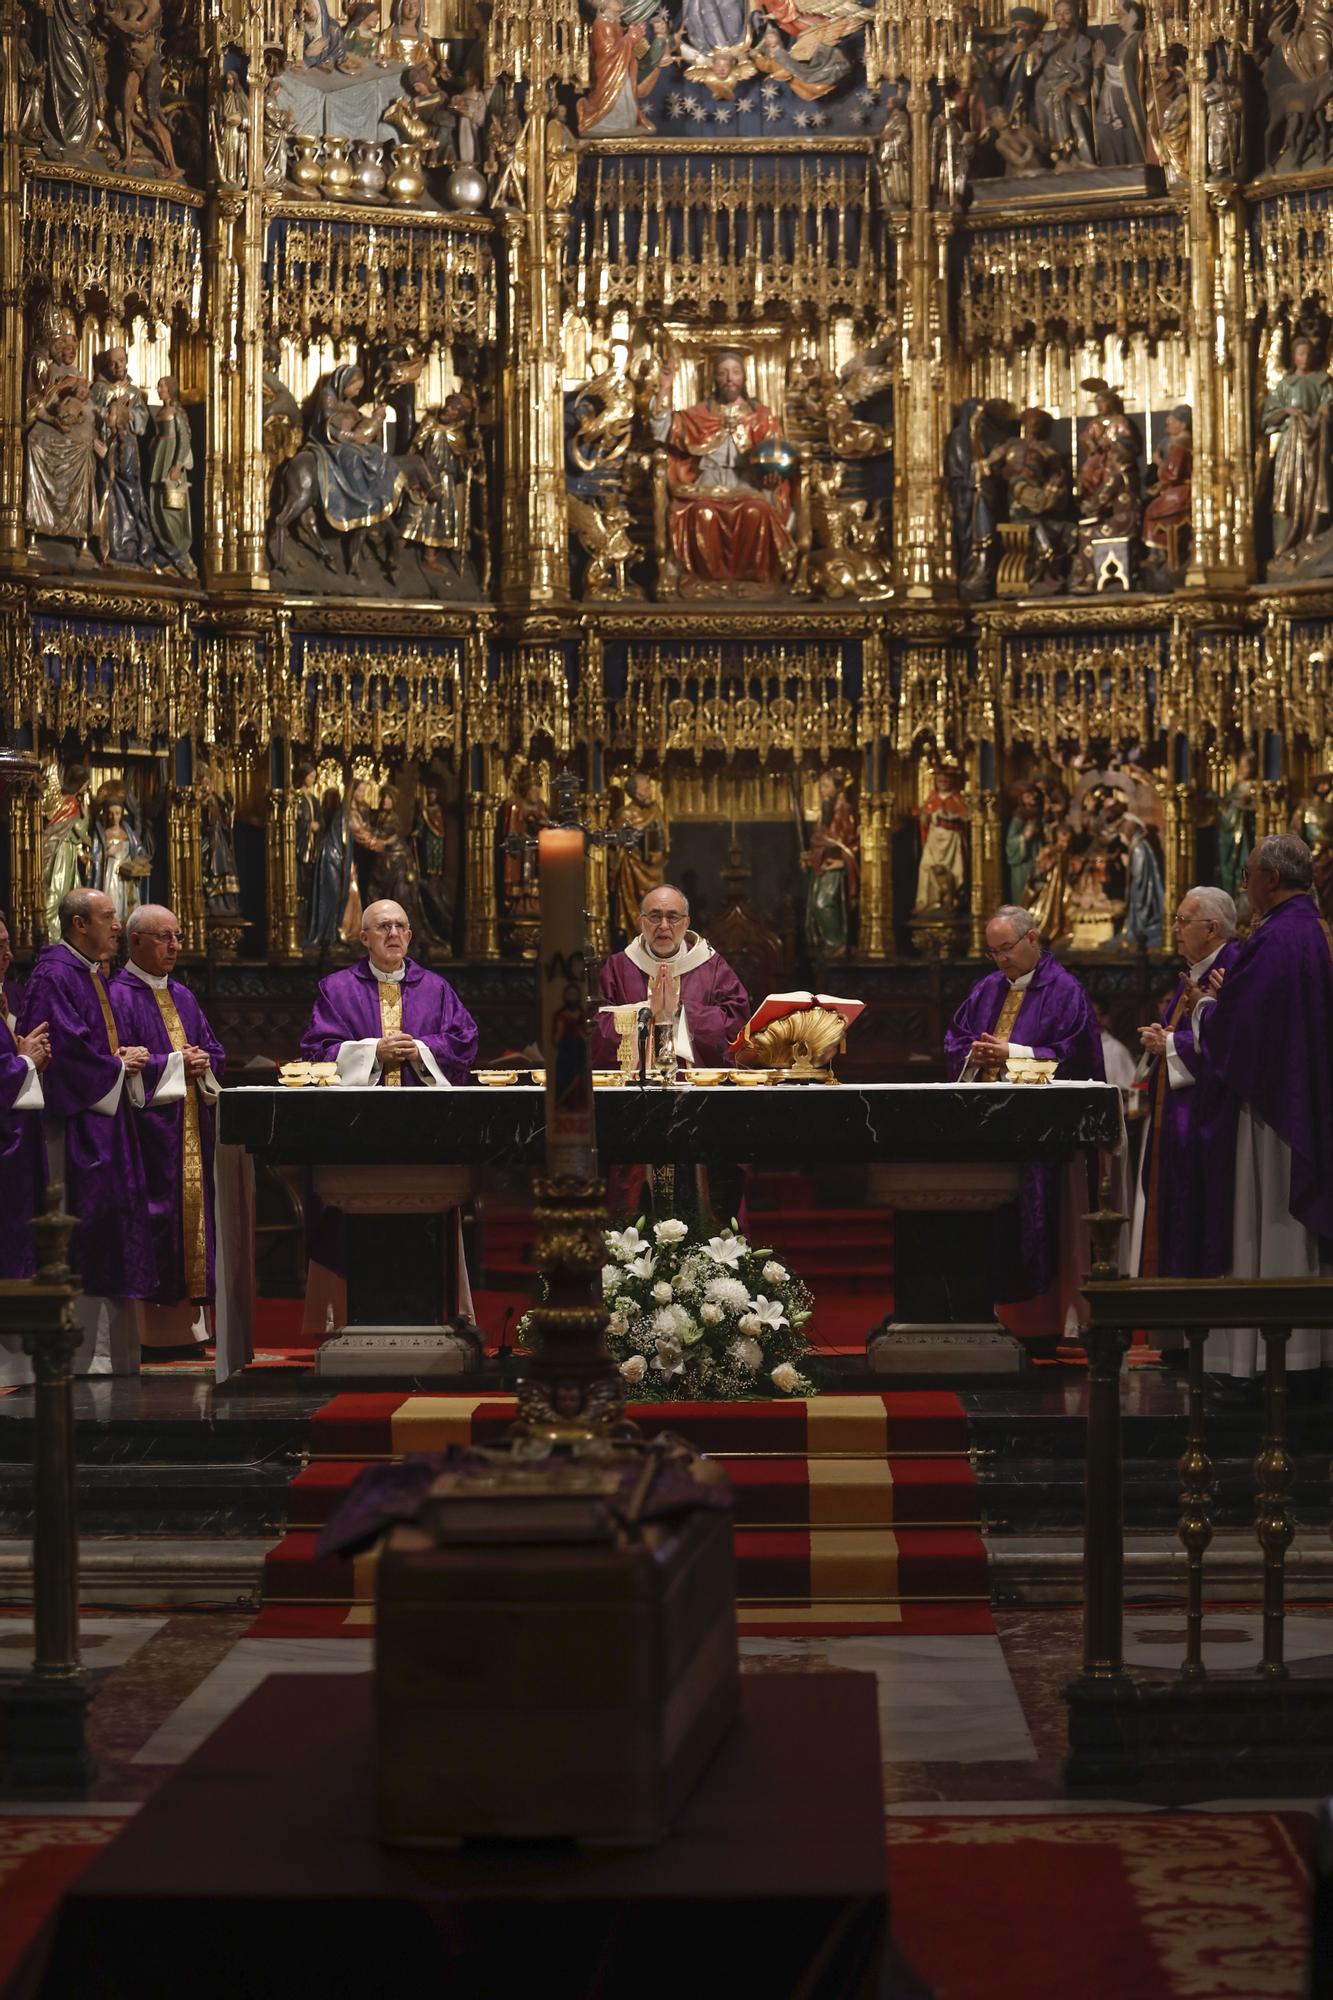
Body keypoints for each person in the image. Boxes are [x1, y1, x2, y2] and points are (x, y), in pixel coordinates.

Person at [1194, 836, 1333, 1396]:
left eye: (1249, 873)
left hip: (1274, 1113)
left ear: (1271, 879)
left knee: (1270, 1220)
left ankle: (1277, 1359)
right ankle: (1303, 1352)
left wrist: (1207, 1007)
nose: (1244, 883)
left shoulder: (1276, 937)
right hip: (1299, 1096)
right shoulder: (1309, 931)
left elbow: (1241, 1032)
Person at [11, 888, 157, 1379]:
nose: (116, 927)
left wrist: (116, 1063)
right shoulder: (55, 975)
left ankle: (110, 1357)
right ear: (79, 925)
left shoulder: (87, 972)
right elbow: (62, 1052)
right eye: (108, 917)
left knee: (111, 1225)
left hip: (103, 1121)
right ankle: (80, 1356)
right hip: (76, 1130)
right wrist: (116, 1064)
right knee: (86, 1228)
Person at [944, 905, 1104, 1341]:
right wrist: (973, 1055)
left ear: (1033, 939)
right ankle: (999, 1321)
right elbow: (956, 1038)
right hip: (994, 1136)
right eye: (992, 952)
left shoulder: (1065, 990)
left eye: (1007, 949)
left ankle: (1050, 1325)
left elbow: (1079, 1055)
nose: (1000, 960)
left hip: (1044, 1138)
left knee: (1048, 1227)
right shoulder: (986, 990)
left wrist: (1013, 1053)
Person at [110, 905, 226, 1353]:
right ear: (135, 941)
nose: (174, 945)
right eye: (164, 937)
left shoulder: (184, 995)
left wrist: (204, 1061)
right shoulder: (116, 995)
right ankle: (151, 1336)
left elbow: (213, 1048)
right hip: (148, 1136)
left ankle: (192, 1330)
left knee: (195, 1223)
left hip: (193, 1127)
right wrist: (178, 1063)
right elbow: (119, 1060)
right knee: (156, 1221)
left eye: (177, 936)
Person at [1131, 888, 1242, 1282]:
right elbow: (1188, 1035)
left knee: (1199, 1212)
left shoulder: (1231, 968)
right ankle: (1173, 1324)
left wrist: (1171, 1044)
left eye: (1182, 921)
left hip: (1209, 1118)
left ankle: (1193, 1326)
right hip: (1179, 1116)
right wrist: (1162, 1038)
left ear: (1212, 928)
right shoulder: (1194, 973)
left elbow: (1231, 1044)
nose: (1174, 929)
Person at [650, 351, 793, 586]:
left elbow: (777, 454)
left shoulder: (761, 416)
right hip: (708, 482)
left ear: (744, 378)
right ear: (714, 379)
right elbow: (661, 428)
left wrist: (773, 475)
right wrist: (664, 388)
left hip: (747, 483)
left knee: (756, 511)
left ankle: (753, 579)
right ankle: (707, 580)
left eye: (735, 372)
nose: (730, 379)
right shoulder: (699, 415)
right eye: (723, 373)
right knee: (701, 513)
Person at [302, 898, 478, 1086]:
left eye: (400, 926)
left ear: (408, 937)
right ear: (365, 938)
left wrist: (420, 1051)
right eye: (384, 926)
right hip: (359, 1109)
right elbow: (317, 1052)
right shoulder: (336, 989)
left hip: (424, 1106)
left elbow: (465, 1041)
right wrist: (374, 1051)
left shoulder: (436, 988)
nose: (394, 933)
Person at [592, 883, 750, 1068]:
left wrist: (681, 1010)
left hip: (696, 1086)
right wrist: (647, 1010)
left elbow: (736, 1026)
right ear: (641, 921)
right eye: (654, 916)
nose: (664, 925)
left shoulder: (711, 965)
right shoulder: (618, 967)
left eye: (673, 917)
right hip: (634, 1085)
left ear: (686, 923)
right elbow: (595, 1028)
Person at [0, 908, 50, 1294]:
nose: (7, 955)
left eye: (6, 946)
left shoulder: (6, 998)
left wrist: (23, 1059)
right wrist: (24, 1062)